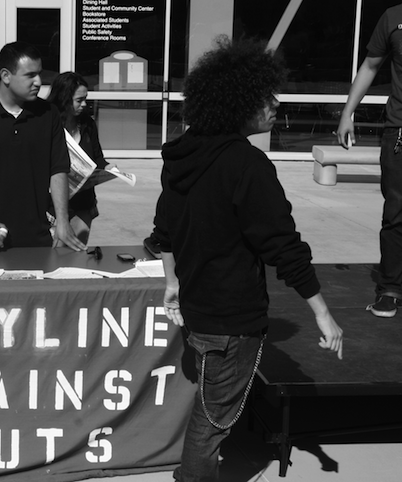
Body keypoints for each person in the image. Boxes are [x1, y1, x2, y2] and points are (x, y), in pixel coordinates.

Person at [155, 37, 344, 482]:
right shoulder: (248, 164)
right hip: (231, 321)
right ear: (238, 102)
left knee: (209, 409)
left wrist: (172, 282)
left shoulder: (182, 156)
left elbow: (163, 232)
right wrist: (323, 314)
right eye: (265, 98)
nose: (274, 106)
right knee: (211, 424)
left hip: (198, 312)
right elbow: (283, 246)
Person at [0, 42, 85, 252]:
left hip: (35, 236)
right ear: (5, 76)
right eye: (30, 75)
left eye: (39, 74)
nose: (39, 82)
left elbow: (58, 169)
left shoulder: (48, 114)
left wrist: (63, 221)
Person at [337, 4, 402, 317]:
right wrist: (347, 112)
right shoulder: (393, 18)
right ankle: (390, 289)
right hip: (400, 133)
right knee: (396, 214)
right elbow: (371, 65)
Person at [46, 72, 109, 244]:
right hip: (52, 207)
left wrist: (109, 169)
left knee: (74, 256)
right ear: (64, 99)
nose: (84, 104)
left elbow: (98, 158)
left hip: (82, 204)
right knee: (53, 257)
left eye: (85, 99)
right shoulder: (48, 125)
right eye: (79, 100)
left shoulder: (88, 124)